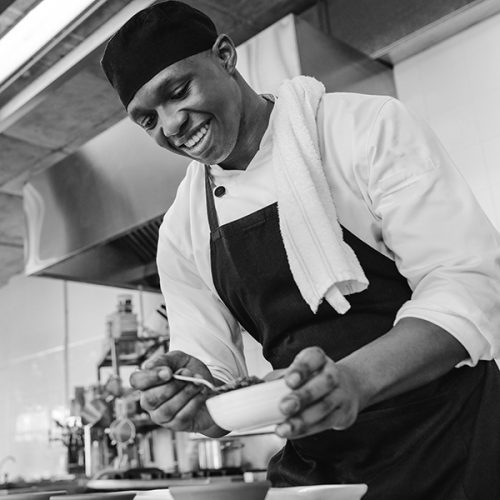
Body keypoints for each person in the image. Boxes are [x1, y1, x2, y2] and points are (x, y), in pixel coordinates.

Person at [101, 1, 500, 498]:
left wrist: (353, 381)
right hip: (320, 469)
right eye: (147, 120)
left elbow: (467, 286)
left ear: (226, 56)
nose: (171, 125)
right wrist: (193, 395)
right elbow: (213, 370)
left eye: (178, 91)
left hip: (452, 444)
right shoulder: (183, 229)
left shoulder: (364, 129)